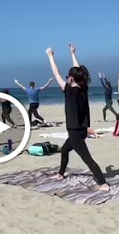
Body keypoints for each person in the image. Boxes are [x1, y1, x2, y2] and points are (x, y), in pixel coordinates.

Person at [46, 44, 108, 191]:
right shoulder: (83, 89)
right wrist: (73, 54)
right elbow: (79, 71)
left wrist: (50, 56)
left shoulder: (70, 91)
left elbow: (56, 74)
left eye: (68, 77)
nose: (66, 78)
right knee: (64, 150)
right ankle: (60, 174)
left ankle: (103, 183)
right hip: (81, 130)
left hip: (75, 132)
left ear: (71, 78)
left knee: (87, 158)